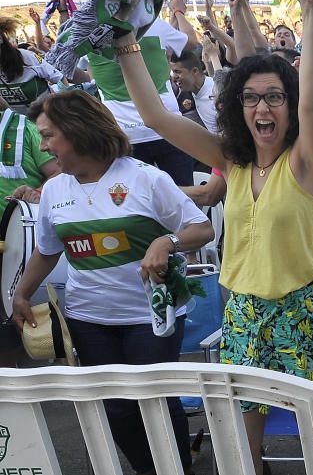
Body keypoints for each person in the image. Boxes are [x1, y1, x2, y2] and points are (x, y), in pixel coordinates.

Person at [116, 0, 313, 475]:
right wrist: (125, 37)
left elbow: (312, 102)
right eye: (252, 97)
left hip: (301, 310)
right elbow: (154, 116)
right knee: (243, 447)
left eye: (274, 97)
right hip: (240, 310)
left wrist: (310, 7)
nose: (264, 107)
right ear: (238, 106)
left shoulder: (305, 161)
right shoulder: (233, 162)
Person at [10, 91, 212, 475]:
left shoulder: (146, 178)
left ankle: (176, 469)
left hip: (150, 316)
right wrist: (20, 292)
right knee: (116, 405)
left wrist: (165, 241)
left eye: (49, 134)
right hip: (89, 318)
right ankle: (148, 469)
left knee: (157, 401)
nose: (44, 145)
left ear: (78, 130)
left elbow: (200, 229)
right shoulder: (54, 190)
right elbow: (48, 251)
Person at [86, 0, 199, 185]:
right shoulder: (152, 23)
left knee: (137, 204)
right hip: (169, 127)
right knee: (184, 203)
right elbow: (192, 42)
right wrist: (178, 12)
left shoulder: (88, 33)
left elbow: (76, 74)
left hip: (124, 134)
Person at [0, 17, 74, 114]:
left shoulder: (27, 57)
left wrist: (66, 107)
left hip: (51, 116)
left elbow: (60, 78)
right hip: (23, 126)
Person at [169, 51, 217, 133]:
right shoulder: (194, 91)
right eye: (173, 72)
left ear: (195, 71)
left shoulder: (216, 95)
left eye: (177, 72)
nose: (174, 78)